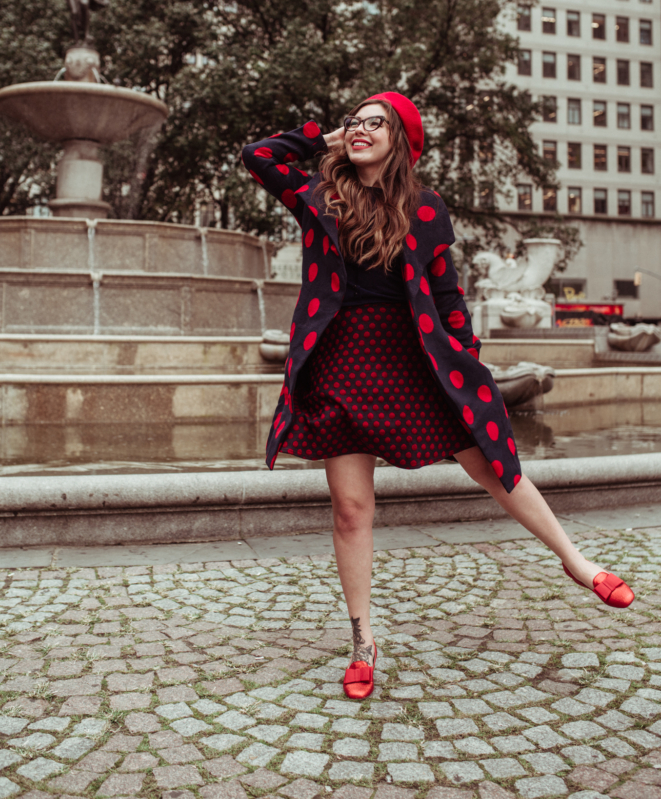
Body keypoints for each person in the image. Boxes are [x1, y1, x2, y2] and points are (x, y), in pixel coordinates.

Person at [241, 92, 634, 700]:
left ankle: (576, 562)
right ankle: (363, 642)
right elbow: (258, 154)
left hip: (415, 361)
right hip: (340, 360)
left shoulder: (425, 208)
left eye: (378, 123)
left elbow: (447, 296)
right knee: (351, 509)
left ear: (402, 140)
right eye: (357, 121)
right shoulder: (320, 193)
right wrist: (327, 140)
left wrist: (466, 363)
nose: (362, 129)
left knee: (492, 461)